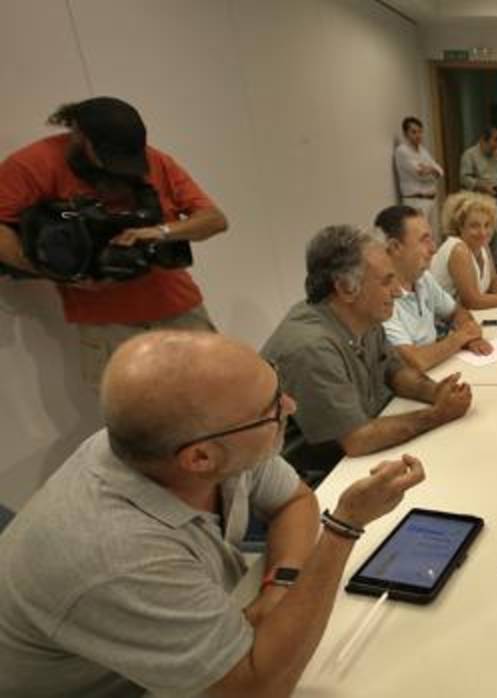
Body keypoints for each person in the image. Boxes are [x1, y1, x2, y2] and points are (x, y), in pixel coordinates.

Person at [0, 330, 427, 697]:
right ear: (200, 459)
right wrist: (344, 526)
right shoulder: (114, 554)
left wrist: (281, 584)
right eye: (272, 408)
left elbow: (294, 501)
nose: (291, 406)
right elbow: (257, 689)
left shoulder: (198, 441)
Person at [0, 96, 228, 388]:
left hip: (177, 307)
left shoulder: (154, 160)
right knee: (142, 419)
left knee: (220, 393)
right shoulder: (34, 164)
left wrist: (161, 232)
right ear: (80, 136)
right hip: (108, 323)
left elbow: (214, 220)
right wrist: (52, 270)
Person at [262, 224, 471, 480]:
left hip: (356, 459)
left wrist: (435, 392)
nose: (397, 292)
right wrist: (438, 414)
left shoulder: (361, 315)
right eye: (386, 281)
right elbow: (357, 439)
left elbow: (394, 371)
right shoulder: (310, 347)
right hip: (319, 478)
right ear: (346, 288)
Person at [375, 204, 492, 371]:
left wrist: (471, 338)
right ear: (395, 247)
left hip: (438, 370)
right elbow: (413, 361)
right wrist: (461, 337)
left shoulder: (422, 278)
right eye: (424, 240)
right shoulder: (380, 298)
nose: (433, 249)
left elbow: (456, 312)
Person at [430, 191, 497, 310]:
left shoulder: (482, 245)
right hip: (442, 323)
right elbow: (472, 302)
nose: (483, 233)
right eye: (474, 226)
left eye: (487, 225)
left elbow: (493, 283)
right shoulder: (458, 249)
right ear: (459, 226)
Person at [459, 125, 497, 268]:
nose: (495, 148)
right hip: (479, 206)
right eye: (493, 144)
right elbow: (464, 178)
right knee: (481, 242)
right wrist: (482, 186)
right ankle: (480, 274)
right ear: (483, 140)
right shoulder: (469, 155)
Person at [392, 116, 444, 243]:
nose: (418, 135)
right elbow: (420, 174)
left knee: (433, 237)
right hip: (416, 200)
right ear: (405, 133)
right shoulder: (402, 151)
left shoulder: (423, 151)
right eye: (414, 132)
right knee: (421, 238)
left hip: (431, 199)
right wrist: (431, 171)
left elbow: (440, 171)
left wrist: (431, 169)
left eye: (420, 131)